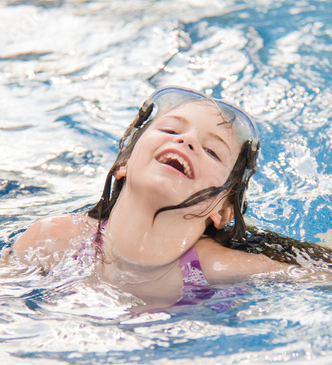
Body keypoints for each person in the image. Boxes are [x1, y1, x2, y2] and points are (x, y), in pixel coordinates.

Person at [11, 86, 332, 308]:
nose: (187, 142)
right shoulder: (54, 238)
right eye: (170, 131)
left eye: (211, 150)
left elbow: (320, 270)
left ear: (222, 211)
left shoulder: (213, 267)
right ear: (123, 162)